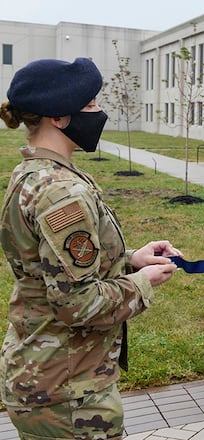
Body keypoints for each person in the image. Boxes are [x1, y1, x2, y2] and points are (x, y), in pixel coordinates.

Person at [0, 57, 182, 439]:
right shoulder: (62, 192)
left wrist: (130, 260)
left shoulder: (35, 174)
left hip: (49, 375)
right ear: (59, 117)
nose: (99, 112)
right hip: (69, 395)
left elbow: (49, 265)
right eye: (91, 105)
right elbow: (77, 304)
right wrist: (144, 282)